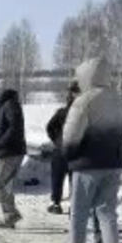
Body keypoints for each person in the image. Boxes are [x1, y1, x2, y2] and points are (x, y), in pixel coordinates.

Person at [59, 58, 122, 243]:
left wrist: (68, 155)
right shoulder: (119, 100)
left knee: (79, 211)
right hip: (113, 163)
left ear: (86, 76)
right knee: (107, 211)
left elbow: (71, 136)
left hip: (87, 164)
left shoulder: (83, 101)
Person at [0, 79, 27, 228]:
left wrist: (0, 143)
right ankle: (9, 218)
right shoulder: (6, 105)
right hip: (9, 151)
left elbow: (14, 128)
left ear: (1, 91)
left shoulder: (9, 105)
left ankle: (12, 213)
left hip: (8, 152)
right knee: (4, 186)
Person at [45, 80, 80, 214]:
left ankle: (56, 204)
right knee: (75, 180)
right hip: (76, 151)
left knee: (57, 177)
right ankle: (74, 206)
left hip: (60, 150)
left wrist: (56, 140)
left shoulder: (62, 112)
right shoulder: (84, 113)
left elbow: (49, 127)